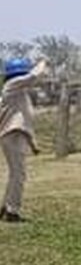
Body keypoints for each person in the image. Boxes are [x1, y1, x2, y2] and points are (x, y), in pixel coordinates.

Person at [1, 58, 50, 222]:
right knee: (19, 174)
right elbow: (34, 76)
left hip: (16, 135)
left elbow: (25, 120)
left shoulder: (20, 94)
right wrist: (42, 63)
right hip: (12, 134)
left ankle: (6, 206)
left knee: (16, 174)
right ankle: (12, 211)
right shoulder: (12, 86)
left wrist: (32, 143)